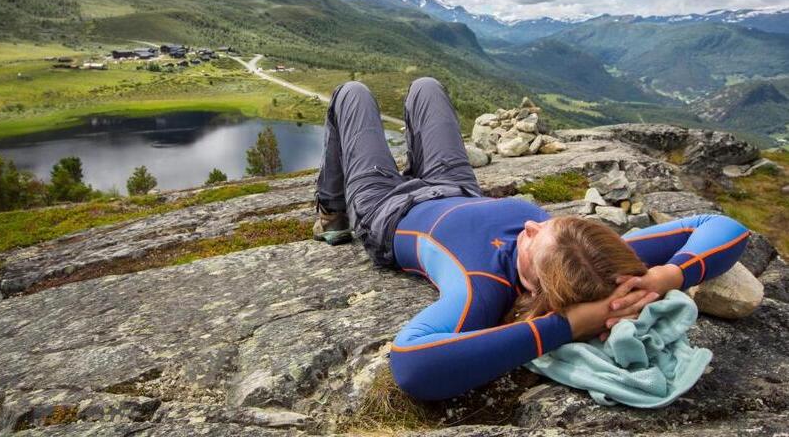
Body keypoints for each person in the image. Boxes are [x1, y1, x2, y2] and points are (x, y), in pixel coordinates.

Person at [313, 77, 751, 402]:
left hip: (389, 208)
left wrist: (569, 325)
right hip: (457, 186)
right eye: (550, 222)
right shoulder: (599, 262)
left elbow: (413, 365)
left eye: (532, 243)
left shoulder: (480, 285)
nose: (531, 226)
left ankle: (333, 213)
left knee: (352, 94)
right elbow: (717, 226)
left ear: (536, 288)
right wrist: (665, 278)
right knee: (427, 86)